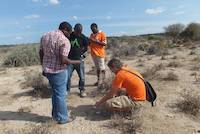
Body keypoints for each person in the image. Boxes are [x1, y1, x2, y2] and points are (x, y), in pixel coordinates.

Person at [39, 21, 80, 124]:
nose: (69, 35)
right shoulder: (64, 40)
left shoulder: (45, 36)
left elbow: (41, 52)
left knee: (55, 94)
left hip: (47, 70)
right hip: (58, 71)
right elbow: (64, 60)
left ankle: (55, 115)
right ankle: (63, 118)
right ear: (65, 29)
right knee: (61, 95)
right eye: (69, 32)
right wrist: (78, 61)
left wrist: (43, 66)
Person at [67, 23, 89, 97]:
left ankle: (82, 90)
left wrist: (83, 55)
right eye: (77, 31)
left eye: (80, 31)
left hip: (79, 60)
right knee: (67, 76)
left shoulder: (83, 37)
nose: (78, 33)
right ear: (74, 29)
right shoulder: (69, 36)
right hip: (69, 60)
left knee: (82, 77)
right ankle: (67, 91)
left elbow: (86, 48)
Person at [89, 23, 107, 88]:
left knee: (102, 68)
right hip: (93, 53)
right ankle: (99, 81)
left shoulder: (102, 34)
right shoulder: (91, 35)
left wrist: (95, 41)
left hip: (100, 53)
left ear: (96, 27)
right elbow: (90, 43)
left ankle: (104, 81)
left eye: (93, 29)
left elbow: (104, 44)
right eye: (91, 29)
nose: (92, 30)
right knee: (97, 68)